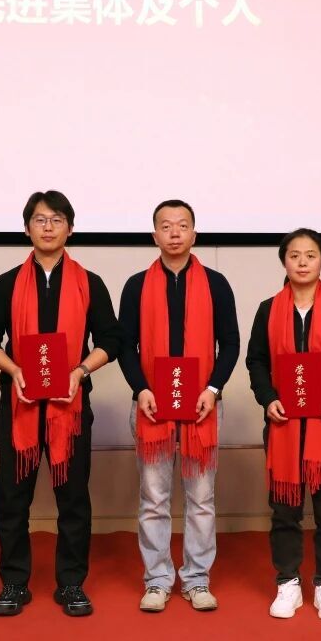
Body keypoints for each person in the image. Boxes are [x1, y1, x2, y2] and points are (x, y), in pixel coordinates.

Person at [0, 190, 122, 617]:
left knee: (73, 499)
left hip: (70, 409)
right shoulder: (7, 283)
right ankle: (14, 582)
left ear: (70, 228)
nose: (48, 227)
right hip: (18, 405)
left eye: (57, 219)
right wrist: (14, 369)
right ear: (27, 229)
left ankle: (71, 583)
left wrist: (80, 371)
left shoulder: (90, 283)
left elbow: (111, 339)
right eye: (40, 219)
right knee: (12, 498)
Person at [117, 199, 240, 612]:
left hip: (202, 405)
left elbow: (231, 343)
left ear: (194, 234)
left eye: (182, 225)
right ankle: (156, 580)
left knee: (201, 499)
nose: (174, 232)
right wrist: (140, 389)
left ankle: (196, 579)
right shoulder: (136, 285)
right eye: (166, 226)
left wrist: (213, 389)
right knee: (154, 498)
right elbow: (125, 345)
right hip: (151, 405)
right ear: (154, 235)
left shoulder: (216, 284)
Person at [246, 229, 321, 620]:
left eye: (310, 255)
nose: (302, 262)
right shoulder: (268, 309)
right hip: (282, 424)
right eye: (294, 255)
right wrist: (268, 398)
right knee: (285, 510)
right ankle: (288, 582)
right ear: (284, 261)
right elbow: (256, 361)